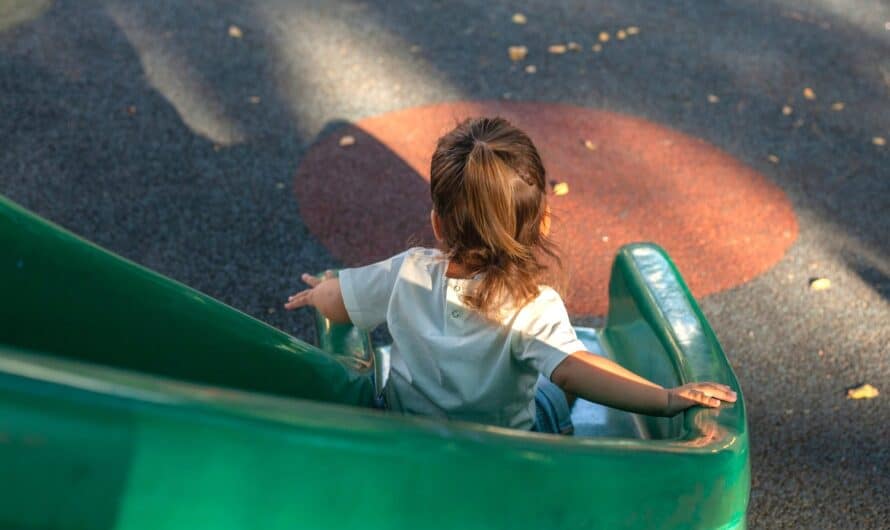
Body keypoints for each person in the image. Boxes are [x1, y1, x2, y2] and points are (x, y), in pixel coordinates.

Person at [284, 117, 736, 434]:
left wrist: (320, 290)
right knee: (554, 393)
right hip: (506, 452)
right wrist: (665, 398)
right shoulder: (532, 306)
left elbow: (338, 302)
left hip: (411, 437)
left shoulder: (408, 271)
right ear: (543, 223)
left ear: (438, 224)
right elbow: (576, 371)